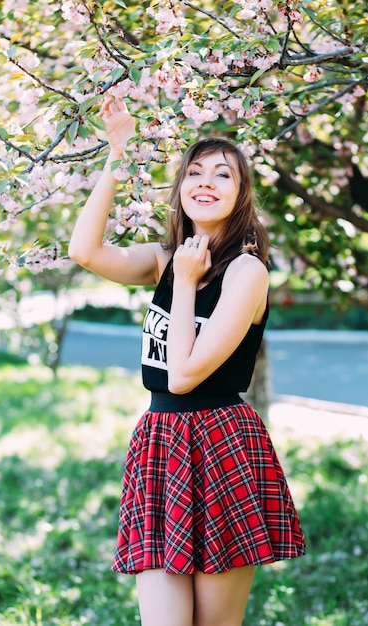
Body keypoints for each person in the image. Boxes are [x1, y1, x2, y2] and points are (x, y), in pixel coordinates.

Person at [69, 95, 307, 626]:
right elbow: (84, 251)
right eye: (194, 172)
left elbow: (183, 374)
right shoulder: (162, 258)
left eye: (223, 175)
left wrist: (186, 282)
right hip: (161, 441)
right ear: (179, 190)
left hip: (221, 441)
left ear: (242, 194)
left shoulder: (247, 273)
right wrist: (116, 153)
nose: (206, 181)